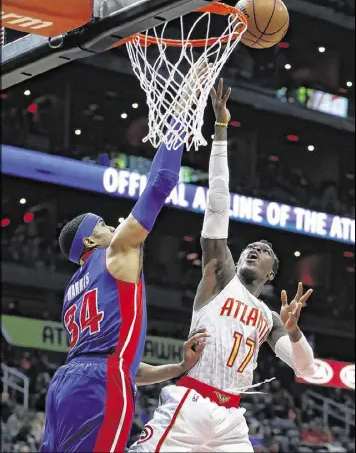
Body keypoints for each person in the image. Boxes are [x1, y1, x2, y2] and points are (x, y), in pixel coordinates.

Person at [129, 79, 317, 452]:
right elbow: (218, 202)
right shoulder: (220, 276)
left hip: (232, 421)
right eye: (250, 245)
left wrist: (295, 333)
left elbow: (306, 369)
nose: (253, 249)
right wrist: (220, 130)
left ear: (271, 272)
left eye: (262, 250)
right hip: (190, 403)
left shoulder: (270, 318)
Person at [40, 61, 211, 453]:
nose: (113, 224)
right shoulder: (117, 251)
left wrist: (178, 369)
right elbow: (162, 183)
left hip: (67, 385)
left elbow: (122, 364)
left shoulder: (73, 289)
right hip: (101, 383)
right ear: (90, 242)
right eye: (103, 224)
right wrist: (182, 110)